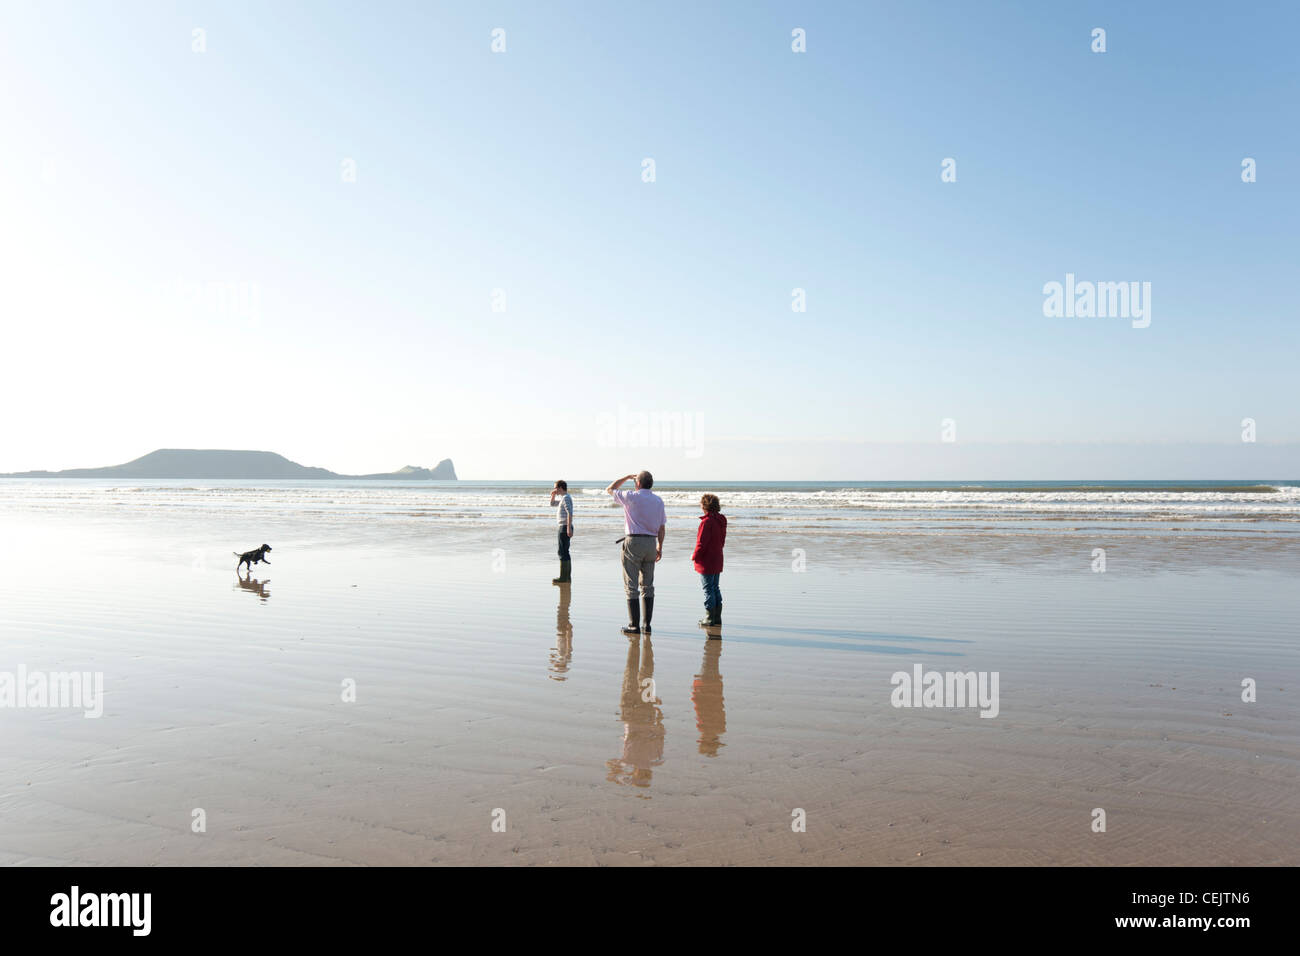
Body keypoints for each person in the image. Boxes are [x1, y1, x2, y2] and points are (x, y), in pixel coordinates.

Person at [605, 470, 666, 635]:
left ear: (638, 483)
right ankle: (647, 626)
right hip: (651, 543)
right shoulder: (658, 501)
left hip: (633, 541)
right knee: (648, 585)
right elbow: (661, 527)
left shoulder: (631, 496)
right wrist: (660, 546)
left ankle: (634, 625)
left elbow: (609, 489)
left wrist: (625, 477)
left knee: (631, 585)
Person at [691, 493, 726, 629]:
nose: (700, 505)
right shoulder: (721, 520)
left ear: (705, 505)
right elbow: (721, 541)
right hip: (717, 557)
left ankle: (709, 617)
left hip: (707, 560)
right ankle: (717, 617)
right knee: (715, 587)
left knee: (708, 589)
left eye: (701, 503)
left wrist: (694, 556)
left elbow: (701, 543)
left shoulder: (706, 522)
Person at [548, 480, 574, 584]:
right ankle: (567, 577)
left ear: (560, 488)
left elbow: (569, 513)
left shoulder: (566, 498)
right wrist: (553, 495)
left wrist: (568, 528)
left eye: (555, 488)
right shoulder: (563, 498)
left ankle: (563, 577)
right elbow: (552, 504)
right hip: (564, 526)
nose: (554, 489)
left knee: (562, 552)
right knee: (565, 551)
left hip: (564, 526)